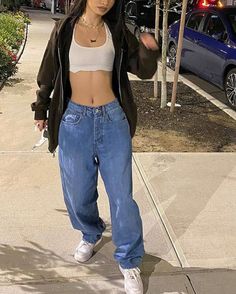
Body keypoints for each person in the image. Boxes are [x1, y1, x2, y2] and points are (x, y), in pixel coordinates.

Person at [31, 0, 159, 293]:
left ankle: (129, 261)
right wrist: (41, 108)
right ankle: (90, 232)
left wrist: (149, 49)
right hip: (74, 121)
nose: (105, 1)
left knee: (122, 197)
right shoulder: (64, 29)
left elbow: (142, 70)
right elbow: (48, 70)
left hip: (112, 119)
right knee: (77, 193)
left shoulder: (117, 30)